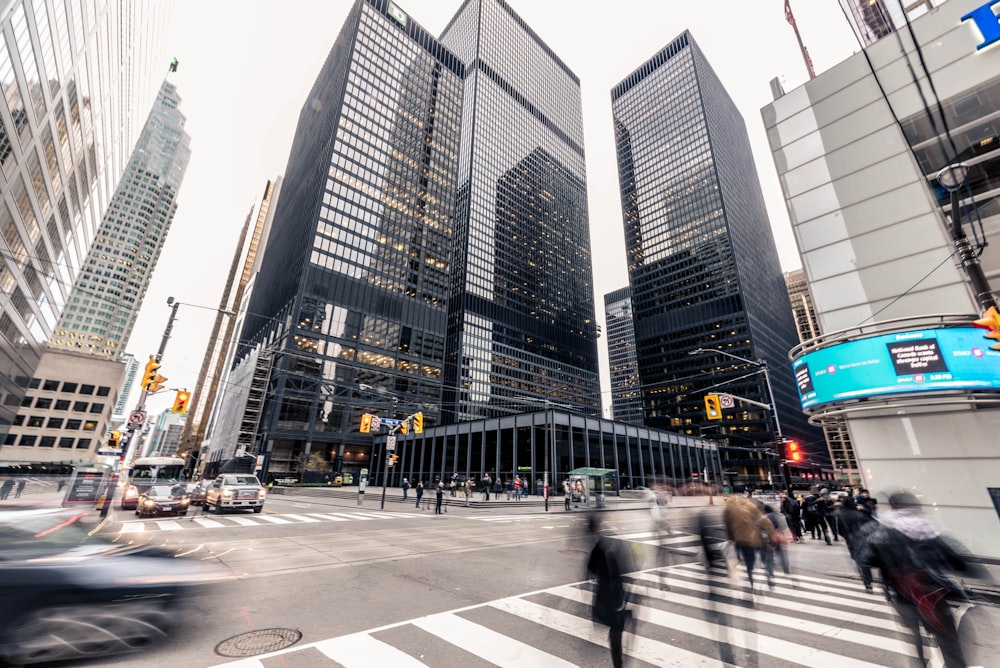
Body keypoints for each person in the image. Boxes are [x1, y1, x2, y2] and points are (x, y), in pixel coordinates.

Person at [859, 490, 979, 668]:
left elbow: (866, 560)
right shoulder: (927, 528)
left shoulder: (882, 533)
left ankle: (920, 664)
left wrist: (886, 559)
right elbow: (955, 560)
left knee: (914, 639)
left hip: (902, 596)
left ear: (892, 507)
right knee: (948, 641)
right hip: (933, 596)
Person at [585, 513, 632, 668]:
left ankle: (618, 663)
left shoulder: (600, 545)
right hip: (615, 592)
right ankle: (618, 664)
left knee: (616, 627)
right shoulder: (606, 543)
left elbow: (590, 570)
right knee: (617, 627)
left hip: (610, 593)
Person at [723, 495, 776, 602]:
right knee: (761, 561)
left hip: (740, 542)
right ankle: (765, 580)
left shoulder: (728, 510)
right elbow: (766, 523)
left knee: (748, 566)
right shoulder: (751, 506)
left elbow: (728, 527)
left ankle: (752, 587)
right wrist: (772, 540)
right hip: (755, 540)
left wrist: (731, 539)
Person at [836, 495, 879, 593]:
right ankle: (870, 579)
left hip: (851, 541)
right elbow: (873, 523)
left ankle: (867, 583)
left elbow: (840, 531)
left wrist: (848, 537)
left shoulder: (840, 514)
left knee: (859, 561)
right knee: (867, 559)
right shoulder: (859, 513)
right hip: (864, 539)